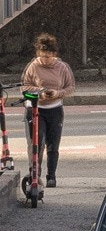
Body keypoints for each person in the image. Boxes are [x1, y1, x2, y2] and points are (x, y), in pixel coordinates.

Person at [21, 33, 75, 189]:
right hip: (36, 108)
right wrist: (40, 92)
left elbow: (70, 87)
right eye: (42, 56)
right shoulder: (33, 66)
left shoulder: (62, 67)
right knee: (37, 143)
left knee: (53, 144)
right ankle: (35, 174)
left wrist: (57, 93)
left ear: (54, 55)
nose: (45, 60)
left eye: (48, 57)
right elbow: (24, 86)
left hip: (55, 109)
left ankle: (51, 176)